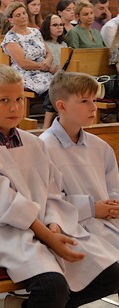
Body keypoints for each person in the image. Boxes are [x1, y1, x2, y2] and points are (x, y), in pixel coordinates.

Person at [0, 65, 119, 308]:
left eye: (19, 99)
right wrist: (48, 236)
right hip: (1, 232)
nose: (14, 107)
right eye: (4, 100)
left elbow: (52, 193)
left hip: (45, 226)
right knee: (52, 287)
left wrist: (55, 225)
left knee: (111, 274)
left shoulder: (32, 143)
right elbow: (5, 206)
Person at [41, 72, 119, 251]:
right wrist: (91, 208)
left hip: (110, 221)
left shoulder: (101, 147)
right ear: (62, 106)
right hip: (74, 226)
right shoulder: (45, 147)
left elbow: (114, 187)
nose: (93, 107)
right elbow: (48, 201)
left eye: (94, 100)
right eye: (84, 101)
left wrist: (113, 206)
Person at [2, 2, 57, 128]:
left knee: (65, 84)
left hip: (44, 69)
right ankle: (46, 125)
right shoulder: (10, 37)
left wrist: (48, 62)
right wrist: (43, 66)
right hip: (26, 73)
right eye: (18, 15)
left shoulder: (35, 32)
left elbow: (48, 53)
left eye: (24, 13)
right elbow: (22, 62)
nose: (23, 17)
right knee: (53, 88)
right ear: (11, 20)